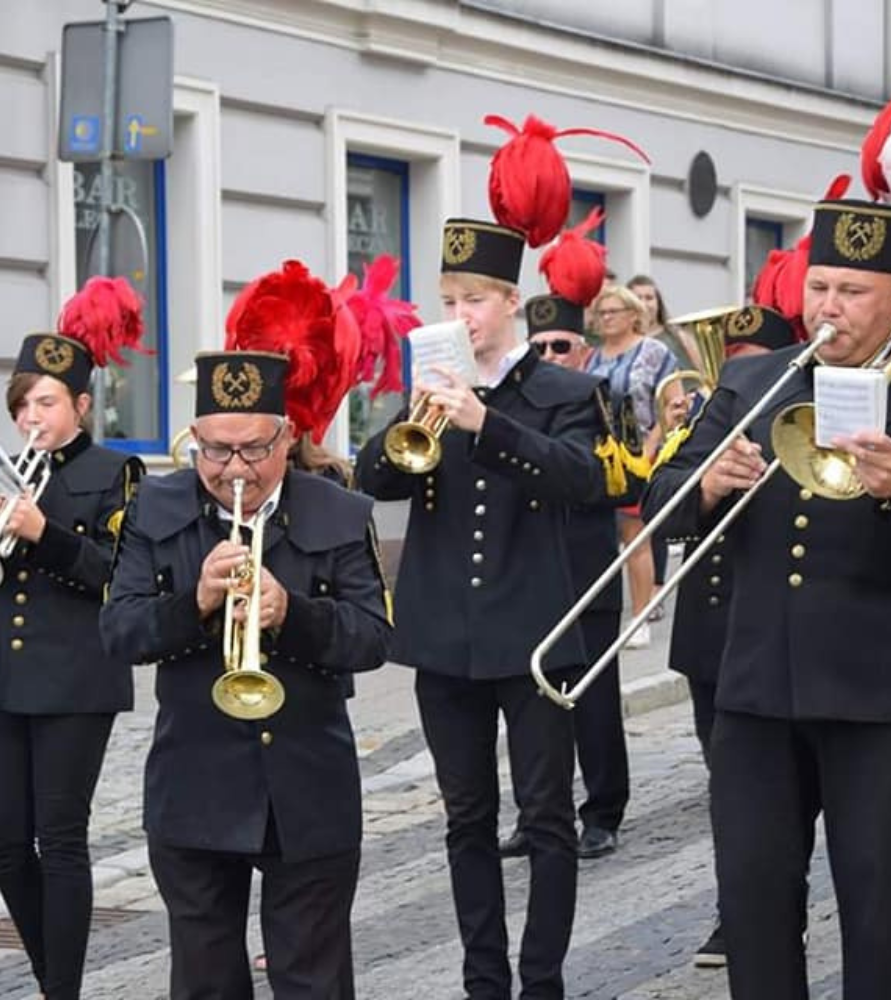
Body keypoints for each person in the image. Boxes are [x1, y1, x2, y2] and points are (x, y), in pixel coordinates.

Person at [645, 197, 891, 999]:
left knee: (881, 916)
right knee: (754, 905)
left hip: (885, 697)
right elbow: (659, 504)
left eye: (851, 292)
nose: (828, 308)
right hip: (754, 691)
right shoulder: (748, 378)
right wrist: (705, 484)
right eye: (819, 287)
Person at [103, 265, 392, 999]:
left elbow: (371, 638)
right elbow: (120, 633)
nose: (234, 470)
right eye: (214, 450)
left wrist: (290, 613)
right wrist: (195, 602)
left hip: (309, 784)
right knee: (204, 983)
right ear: (193, 439)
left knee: (313, 981)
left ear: (287, 437)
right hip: (195, 783)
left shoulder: (339, 511)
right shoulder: (154, 509)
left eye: (253, 450)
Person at [356, 215, 608, 999]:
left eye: (473, 299)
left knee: (545, 819)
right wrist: (412, 411)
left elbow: (583, 480)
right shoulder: (426, 391)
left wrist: (485, 422)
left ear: (510, 302)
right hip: (444, 639)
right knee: (466, 818)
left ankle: (543, 982)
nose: (457, 314)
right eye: (447, 299)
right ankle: (483, 980)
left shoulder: (567, 390)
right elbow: (377, 479)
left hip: (534, 633)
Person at [0, 278, 146, 1000]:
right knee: (7, 847)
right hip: (6, 680)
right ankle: (51, 975)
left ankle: (62, 991)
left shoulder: (117, 474)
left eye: (46, 402)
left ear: (81, 404)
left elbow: (118, 574)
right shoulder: (2, 471)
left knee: (61, 840)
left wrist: (43, 534)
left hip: (77, 675)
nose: (30, 417)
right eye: (22, 405)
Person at [655, 303, 797, 970]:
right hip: (713, 630)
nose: (735, 375)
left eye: (748, 361)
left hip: (779, 625)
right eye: (728, 361)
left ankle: (773, 905)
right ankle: (734, 907)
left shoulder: (801, 416)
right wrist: (702, 473)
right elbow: (660, 501)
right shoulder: (712, 419)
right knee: (730, 784)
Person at [496, 293, 629, 862]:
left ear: (583, 351)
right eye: (539, 346)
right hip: (529, 570)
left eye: (560, 346)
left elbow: (624, 481)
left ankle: (602, 811)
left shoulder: (601, 397)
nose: (548, 355)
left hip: (584, 565)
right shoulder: (516, 402)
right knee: (533, 706)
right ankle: (536, 812)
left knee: (593, 701)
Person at [586, 284, 678, 647]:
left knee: (635, 535)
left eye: (613, 311)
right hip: (598, 454)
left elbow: (672, 403)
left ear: (632, 314)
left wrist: (652, 446)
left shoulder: (653, 352)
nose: (606, 318)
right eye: (601, 312)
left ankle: (640, 617)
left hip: (640, 451)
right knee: (600, 535)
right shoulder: (591, 357)